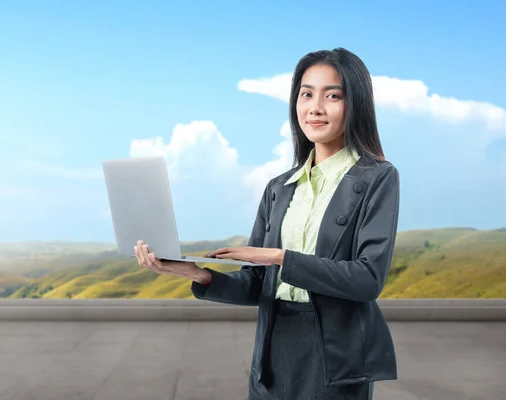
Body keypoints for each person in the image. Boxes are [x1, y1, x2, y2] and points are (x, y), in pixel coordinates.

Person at [134, 47, 400, 400]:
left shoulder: (378, 178)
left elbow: (367, 280)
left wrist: (279, 257)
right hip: (274, 351)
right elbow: (255, 285)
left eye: (332, 96)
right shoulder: (279, 188)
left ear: (357, 105)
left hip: (335, 356)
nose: (315, 107)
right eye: (306, 94)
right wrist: (195, 272)